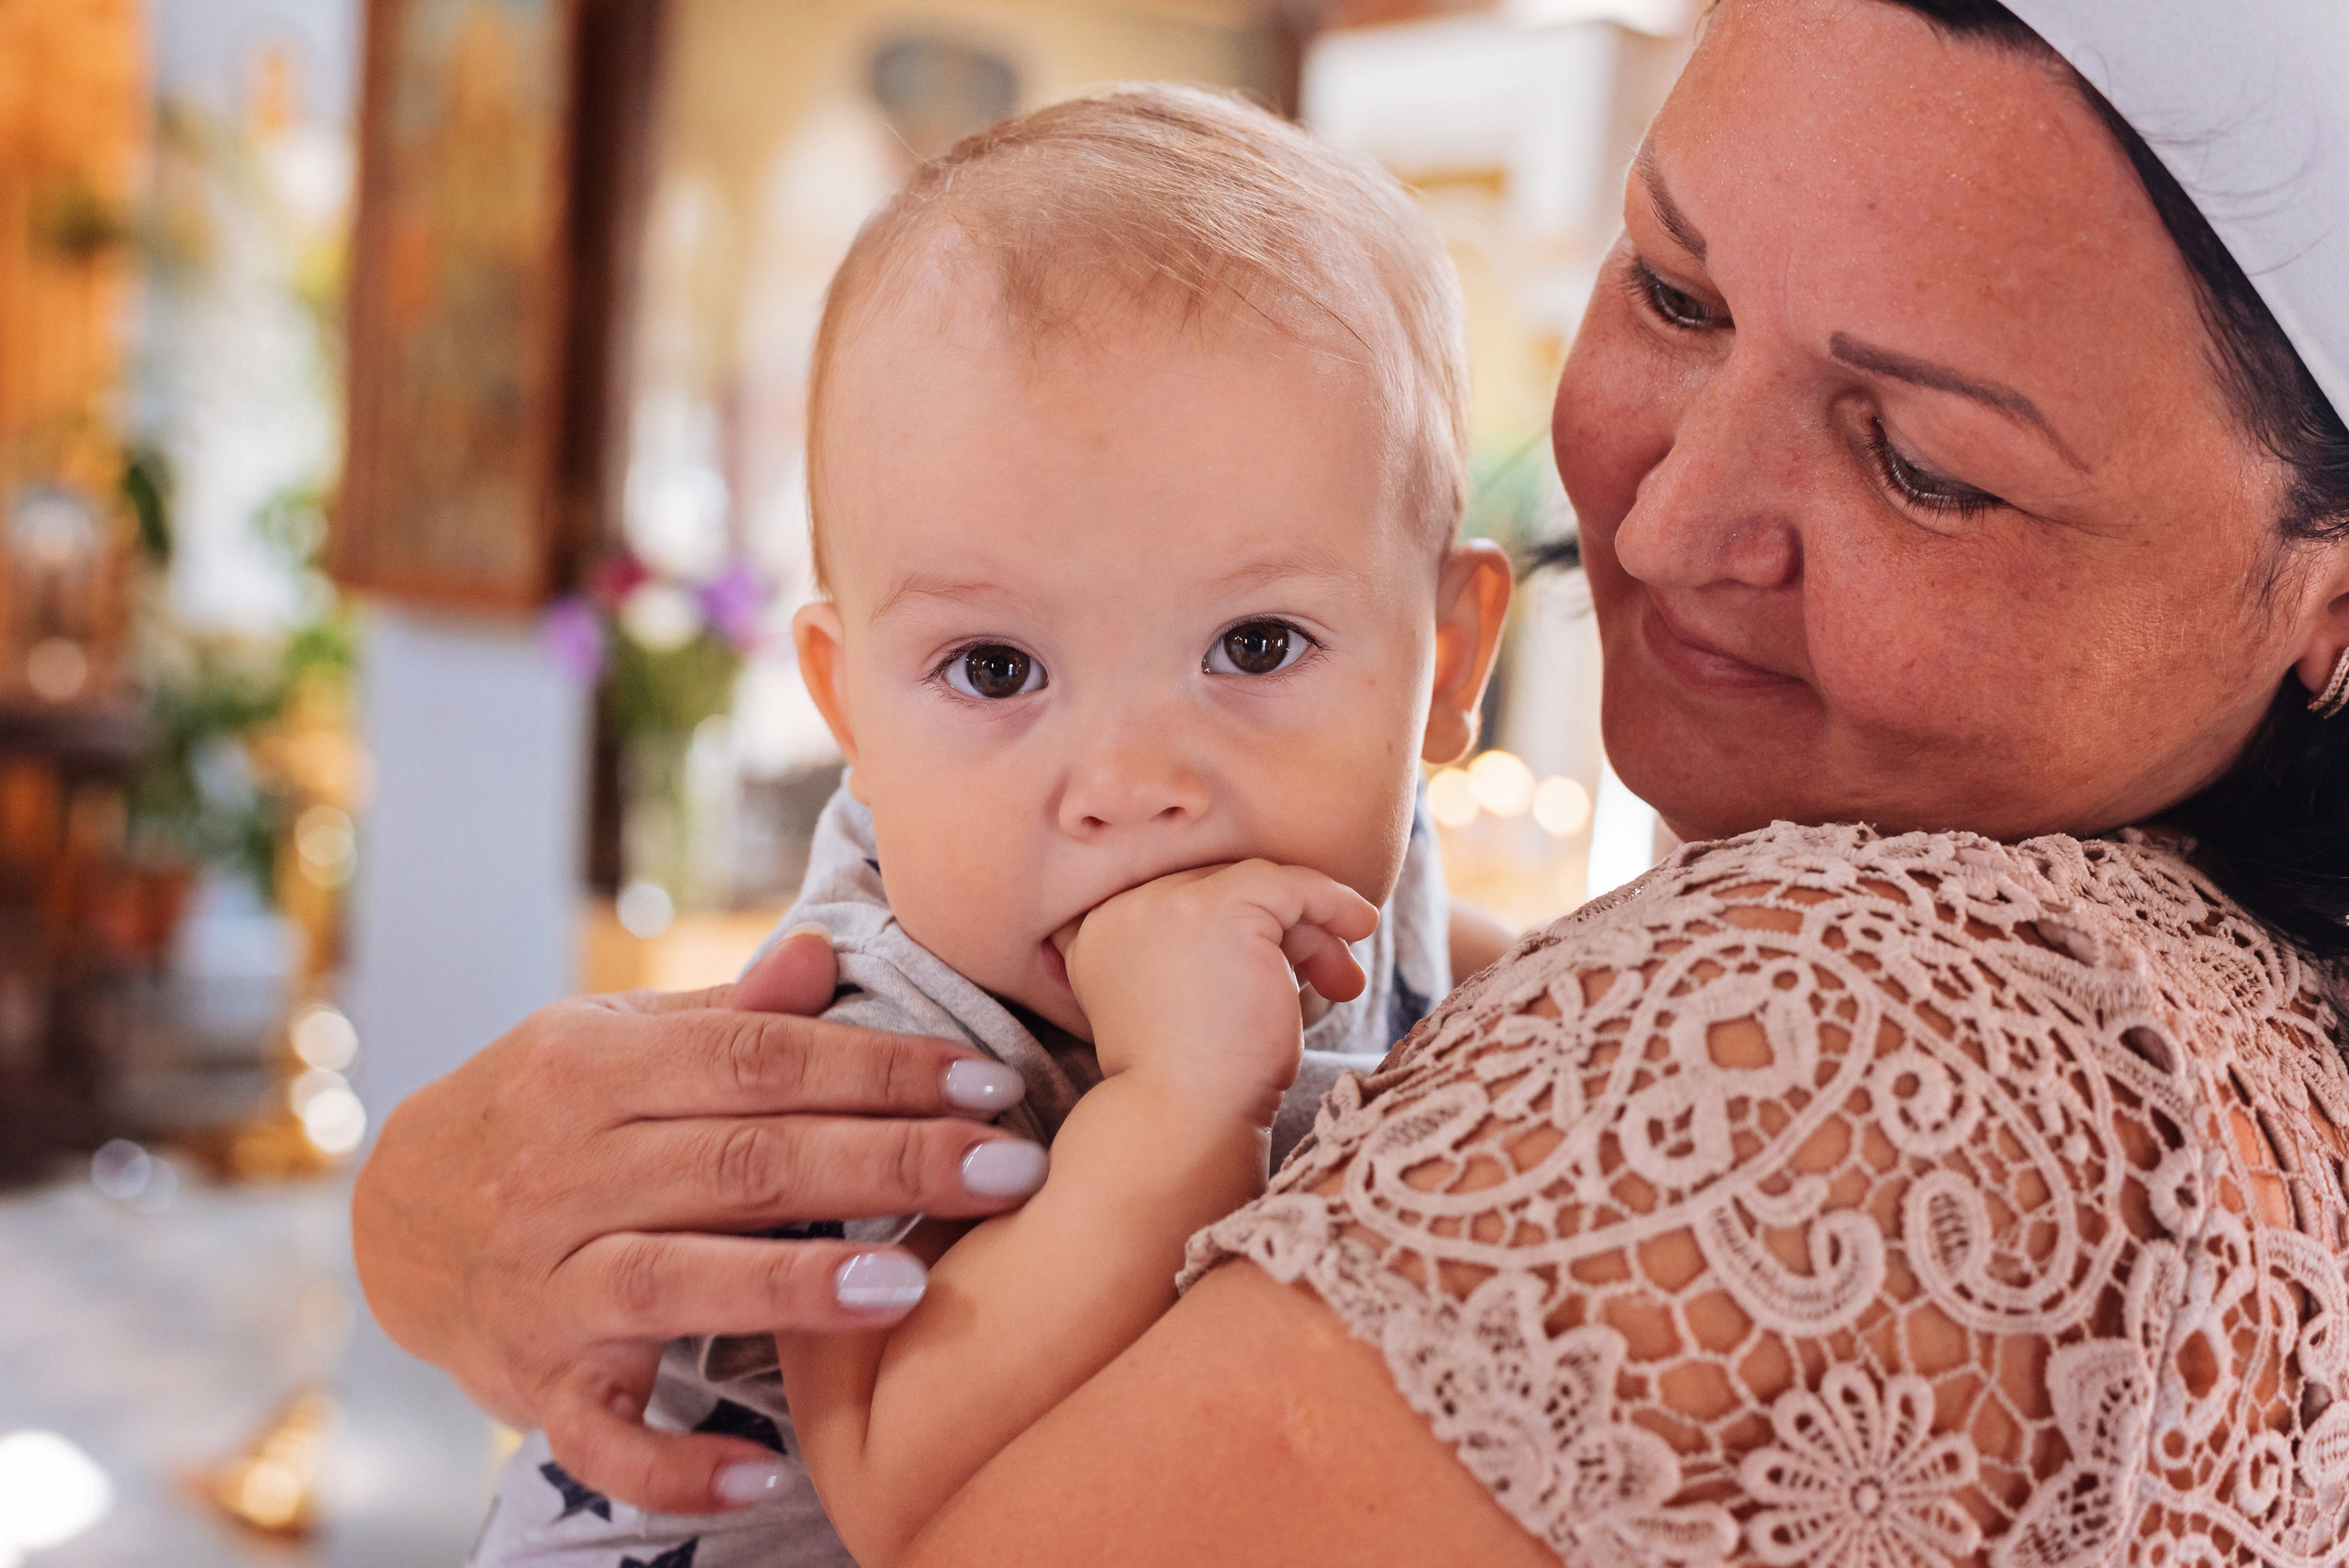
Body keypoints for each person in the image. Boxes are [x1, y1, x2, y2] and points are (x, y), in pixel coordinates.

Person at [355, 0, 2349, 1562]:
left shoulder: (1877, 1046)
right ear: (844, 695)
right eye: (1669, 291)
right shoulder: (902, 1035)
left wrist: (1174, 1105)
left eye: (1919, 457)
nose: (1658, 529)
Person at [465, 85, 1516, 1568]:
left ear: (1446, 666)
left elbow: (1450, 968)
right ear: (854, 718)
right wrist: (1175, 1106)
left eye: (1259, 645)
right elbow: (901, 1488)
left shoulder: (1360, 844)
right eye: (997, 670)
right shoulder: (882, 1026)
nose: (1134, 781)